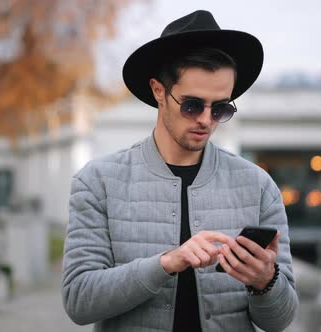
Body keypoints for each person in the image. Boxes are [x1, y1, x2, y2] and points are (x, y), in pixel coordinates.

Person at [62, 10, 298, 332]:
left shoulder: (258, 186)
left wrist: (265, 282)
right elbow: (78, 301)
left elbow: (281, 320)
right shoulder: (98, 182)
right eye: (192, 105)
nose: (205, 119)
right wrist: (166, 263)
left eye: (220, 108)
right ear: (159, 91)